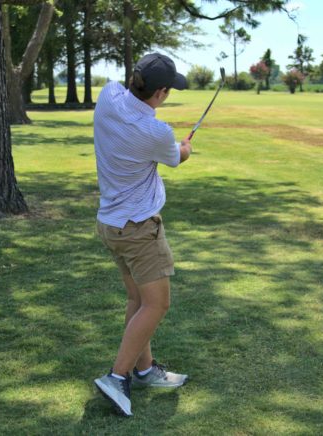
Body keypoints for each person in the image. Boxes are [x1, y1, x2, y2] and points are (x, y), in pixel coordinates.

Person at [92, 53, 192, 417]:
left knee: (137, 299)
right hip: (139, 229)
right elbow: (177, 157)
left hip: (111, 224)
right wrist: (185, 148)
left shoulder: (108, 96)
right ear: (161, 92)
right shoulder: (157, 132)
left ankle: (145, 369)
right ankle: (117, 376)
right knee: (156, 304)